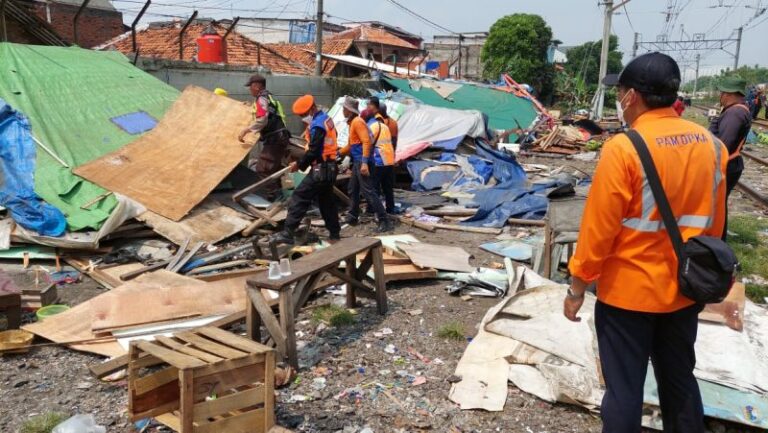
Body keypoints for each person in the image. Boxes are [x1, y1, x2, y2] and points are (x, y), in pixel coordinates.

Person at [564, 52, 728, 433]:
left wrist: (577, 286)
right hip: (686, 290)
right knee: (680, 382)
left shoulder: (625, 148)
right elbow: (715, 226)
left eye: (619, 93)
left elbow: (598, 229)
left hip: (628, 295)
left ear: (631, 96)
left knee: (623, 392)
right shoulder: (712, 146)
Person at [271, 95, 340, 244]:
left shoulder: (317, 125)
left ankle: (288, 232)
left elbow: (314, 150)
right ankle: (335, 233)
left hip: (321, 168)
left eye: (303, 115)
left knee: (299, 196)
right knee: (326, 201)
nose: (303, 118)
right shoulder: (326, 119)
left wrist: (300, 164)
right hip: (330, 167)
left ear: (312, 109)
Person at [338, 97, 393, 232]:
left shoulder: (357, 122)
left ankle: (384, 220)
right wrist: (339, 152)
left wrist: (364, 163)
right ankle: (352, 215)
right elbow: (352, 144)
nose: (343, 111)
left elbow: (367, 142)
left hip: (363, 161)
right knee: (352, 188)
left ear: (349, 111)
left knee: (369, 192)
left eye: (344, 108)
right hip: (358, 160)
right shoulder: (353, 123)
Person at [709, 76, 751, 241]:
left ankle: (717, 241)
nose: (720, 96)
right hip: (729, 164)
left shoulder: (735, 113)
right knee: (718, 204)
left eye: (722, 92)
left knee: (717, 205)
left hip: (726, 165)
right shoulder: (736, 110)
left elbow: (723, 145)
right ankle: (717, 240)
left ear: (728, 94)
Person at [238, 74, 291, 199]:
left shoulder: (261, 99)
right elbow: (269, 113)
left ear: (257, 86)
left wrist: (247, 130)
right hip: (281, 136)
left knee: (263, 169)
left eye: (250, 86)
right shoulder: (270, 97)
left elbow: (262, 119)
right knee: (277, 168)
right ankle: (287, 192)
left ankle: (275, 196)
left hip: (275, 139)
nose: (249, 89)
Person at [364, 108, 397, 215]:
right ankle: (390, 210)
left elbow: (368, 143)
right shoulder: (384, 126)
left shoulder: (371, 127)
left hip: (379, 160)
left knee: (373, 188)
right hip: (389, 160)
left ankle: (372, 210)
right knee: (388, 188)